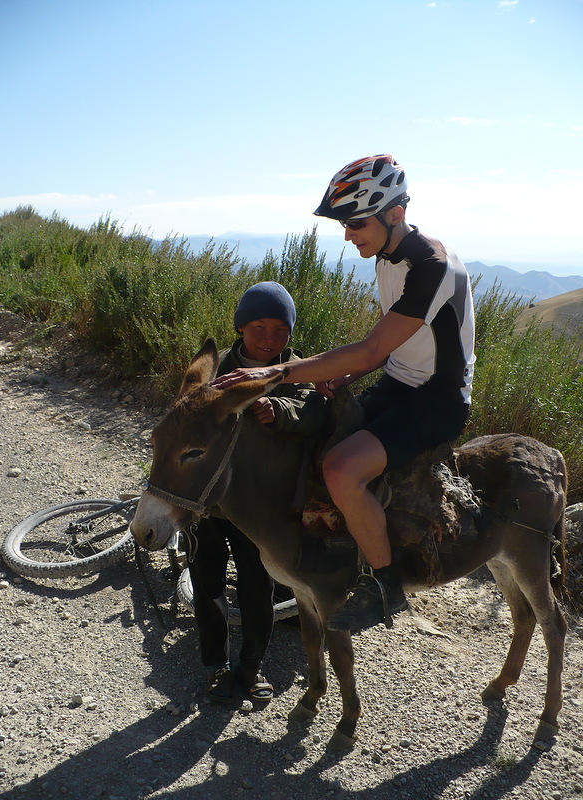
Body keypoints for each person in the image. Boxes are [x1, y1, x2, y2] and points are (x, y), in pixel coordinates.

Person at [212, 155, 476, 633]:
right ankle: (333, 549)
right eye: (345, 225)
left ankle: (385, 584)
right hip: (401, 382)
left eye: (356, 222)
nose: (348, 235)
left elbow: (372, 347)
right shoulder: (387, 256)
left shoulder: (432, 267)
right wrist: (344, 377)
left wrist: (277, 372)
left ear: (394, 213)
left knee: (340, 468)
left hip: (437, 401)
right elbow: (389, 347)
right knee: (317, 432)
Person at [190, 280, 324, 703]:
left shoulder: (297, 369)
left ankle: (249, 670)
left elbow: (312, 407)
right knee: (206, 580)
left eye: (280, 331)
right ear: (240, 328)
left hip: (260, 509)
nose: (270, 339)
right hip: (211, 504)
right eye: (259, 328)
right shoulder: (216, 371)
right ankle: (215, 665)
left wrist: (278, 410)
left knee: (256, 587)